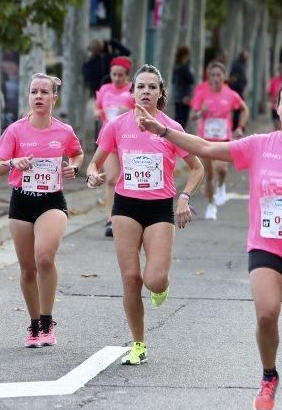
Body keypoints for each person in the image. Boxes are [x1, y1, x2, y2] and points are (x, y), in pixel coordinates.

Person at [135, 80, 282, 410]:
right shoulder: (259, 145)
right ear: (277, 108)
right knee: (266, 314)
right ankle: (269, 376)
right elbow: (205, 147)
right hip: (266, 244)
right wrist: (164, 131)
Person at [86, 64, 204, 366]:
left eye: (152, 87)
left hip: (159, 207)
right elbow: (94, 163)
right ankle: (139, 343)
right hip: (125, 206)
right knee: (131, 279)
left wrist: (185, 197)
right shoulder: (116, 126)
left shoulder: (170, 128)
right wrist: (93, 175)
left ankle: (161, 287)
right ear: (132, 92)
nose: (146, 91)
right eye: (141, 86)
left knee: (154, 280)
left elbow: (197, 167)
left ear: (161, 93)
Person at [0, 73, 84, 348]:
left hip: (51, 201)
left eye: (45, 92)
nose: (39, 96)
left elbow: (77, 153)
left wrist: (73, 167)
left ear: (54, 98)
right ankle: (33, 325)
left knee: (44, 258)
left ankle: (47, 321)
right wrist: (12, 162)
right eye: (34, 92)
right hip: (21, 201)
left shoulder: (64, 131)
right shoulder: (16, 130)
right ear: (29, 97)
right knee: (28, 268)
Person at [190, 61, 249, 219]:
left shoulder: (230, 94)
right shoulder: (202, 93)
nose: (216, 78)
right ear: (209, 77)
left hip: (224, 139)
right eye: (213, 75)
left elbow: (244, 109)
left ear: (224, 77)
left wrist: (240, 127)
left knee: (222, 169)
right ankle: (211, 205)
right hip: (205, 140)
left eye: (219, 75)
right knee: (209, 175)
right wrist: (200, 113)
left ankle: (222, 185)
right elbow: (192, 115)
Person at [94, 56, 135, 237]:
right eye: (114, 74)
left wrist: (130, 112)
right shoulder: (104, 89)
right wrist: (99, 112)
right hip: (108, 139)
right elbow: (97, 108)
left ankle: (127, 216)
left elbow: (144, 112)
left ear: (127, 75)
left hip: (129, 140)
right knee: (111, 179)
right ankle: (110, 218)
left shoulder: (134, 90)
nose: (117, 78)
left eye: (121, 75)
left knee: (127, 180)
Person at [171, 45, 195, 129]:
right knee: (182, 121)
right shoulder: (185, 68)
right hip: (184, 96)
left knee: (178, 118)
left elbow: (173, 81)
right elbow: (191, 80)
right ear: (185, 55)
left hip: (177, 95)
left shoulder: (175, 67)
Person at [229, 50, 249, 128]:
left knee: (238, 110)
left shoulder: (242, 65)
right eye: (246, 56)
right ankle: (235, 126)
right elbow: (233, 77)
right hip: (236, 90)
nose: (247, 58)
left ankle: (237, 125)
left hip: (239, 90)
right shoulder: (237, 65)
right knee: (237, 109)